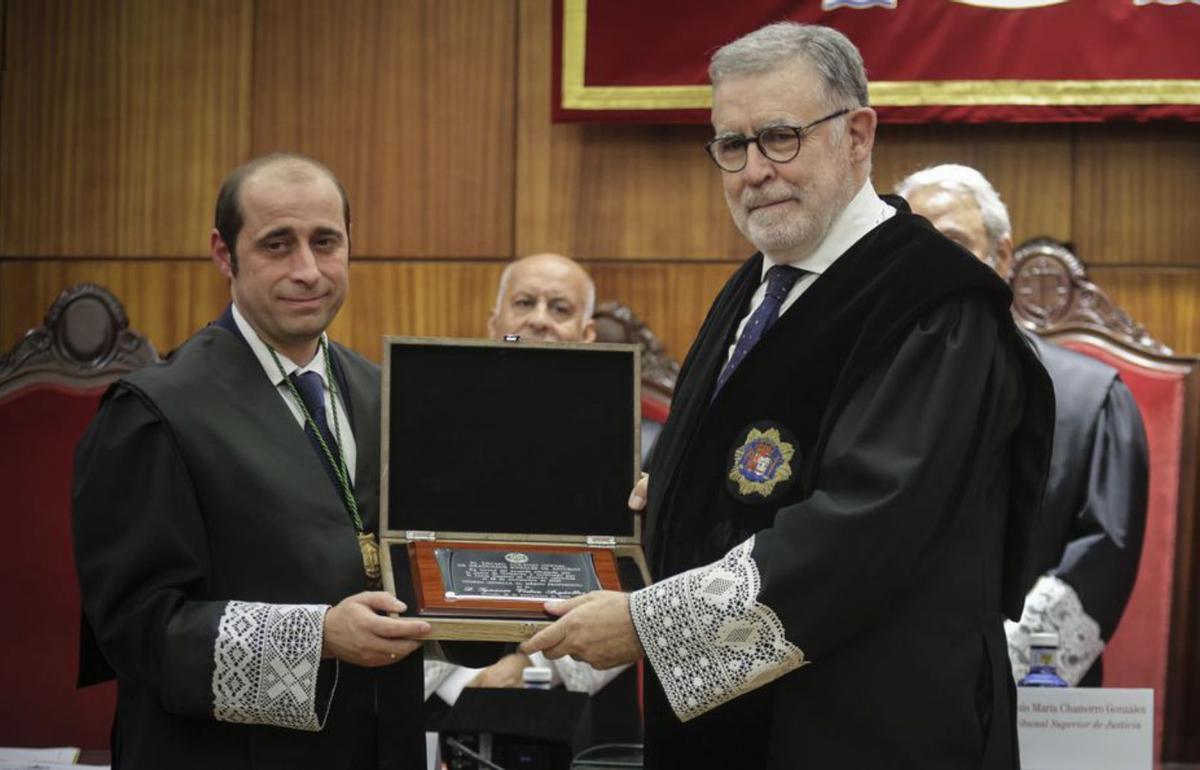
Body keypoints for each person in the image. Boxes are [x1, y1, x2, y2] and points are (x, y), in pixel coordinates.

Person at [521, 22, 1055, 769]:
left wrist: (650, 626)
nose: (753, 171)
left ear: (858, 135)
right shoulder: (759, 285)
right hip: (733, 725)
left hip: (868, 727)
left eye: (779, 138)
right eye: (731, 145)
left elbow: (863, 532)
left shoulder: (936, 305)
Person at [73, 153, 430, 770]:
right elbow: (137, 629)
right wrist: (317, 638)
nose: (308, 271)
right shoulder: (154, 413)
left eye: (326, 242)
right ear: (224, 253)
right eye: (277, 245)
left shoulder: (388, 393)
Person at [897, 162, 1149, 686]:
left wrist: (981, 676)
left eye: (955, 242)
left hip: (1023, 693)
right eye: (913, 245)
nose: (933, 262)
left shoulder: (1091, 401)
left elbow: (1100, 558)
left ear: (1002, 256)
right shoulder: (866, 392)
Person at [425, 252, 626, 706]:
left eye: (560, 308)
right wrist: (461, 681)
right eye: (523, 303)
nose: (538, 319)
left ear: (587, 334)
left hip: (573, 696)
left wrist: (532, 665)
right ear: (494, 322)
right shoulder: (430, 426)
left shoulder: (626, 441)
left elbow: (635, 577)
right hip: (439, 691)